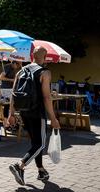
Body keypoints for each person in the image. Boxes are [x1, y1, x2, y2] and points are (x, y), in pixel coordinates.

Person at [8, 47, 61, 185]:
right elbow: (46, 98)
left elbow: (13, 94)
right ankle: (19, 166)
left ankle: (41, 170)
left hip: (24, 112)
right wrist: (54, 119)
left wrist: (11, 114)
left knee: (35, 143)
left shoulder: (21, 71)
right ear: (46, 57)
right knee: (41, 143)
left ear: (32, 55)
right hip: (38, 113)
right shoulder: (45, 72)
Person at [0, 61, 22, 128]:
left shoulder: (15, 69)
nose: (17, 67)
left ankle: (11, 122)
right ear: (14, 63)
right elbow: (1, 77)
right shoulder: (7, 67)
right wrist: (11, 80)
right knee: (7, 105)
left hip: (11, 89)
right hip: (6, 89)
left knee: (12, 106)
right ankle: (6, 123)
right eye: (17, 65)